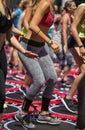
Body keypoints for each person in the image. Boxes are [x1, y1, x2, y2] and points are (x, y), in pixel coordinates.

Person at [15, 0, 61, 129]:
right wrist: (50, 42)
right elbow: (33, 26)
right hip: (28, 47)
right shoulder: (44, 3)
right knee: (39, 80)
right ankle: (22, 113)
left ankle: (44, 112)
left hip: (41, 48)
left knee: (52, 78)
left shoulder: (50, 5)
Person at [0, 0, 38, 125]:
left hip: (1, 54)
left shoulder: (7, 9)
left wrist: (23, 50)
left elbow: (9, 34)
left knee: (1, 96)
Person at [61, 0, 85, 114]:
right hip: (77, 43)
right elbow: (73, 29)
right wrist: (81, 46)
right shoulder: (83, 7)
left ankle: (79, 97)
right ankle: (68, 98)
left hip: (83, 43)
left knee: (83, 72)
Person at [53, 0, 76, 88]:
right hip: (59, 42)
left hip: (65, 42)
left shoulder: (71, 16)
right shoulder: (65, 17)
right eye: (74, 6)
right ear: (68, 8)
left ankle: (64, 79)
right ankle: (52, 82)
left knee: (70, 62)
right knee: (62, 63)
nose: (76, 7)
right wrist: (66, 45)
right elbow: (63, 32)